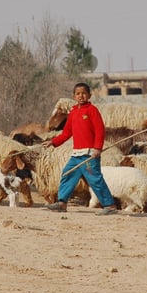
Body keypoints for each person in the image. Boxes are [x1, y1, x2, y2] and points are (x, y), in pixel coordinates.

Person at [42, 82, 118, 216]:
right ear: (74, 96)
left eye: (84, 93)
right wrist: (53, 142)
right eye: (78, 93)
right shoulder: (73, 112)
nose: (81, 96)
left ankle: (110, 205)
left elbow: (100, 131)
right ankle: (62, 203)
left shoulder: (92, 110)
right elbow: (66, 133)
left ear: (89, 95)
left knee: (95, 179)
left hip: (89, 154)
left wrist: (97, 148)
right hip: (77, 154)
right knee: (67, 173)